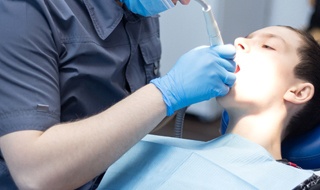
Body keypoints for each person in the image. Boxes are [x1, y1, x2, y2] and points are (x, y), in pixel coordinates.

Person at [0, 0, 237, 189]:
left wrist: (181, 95)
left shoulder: (141, 9)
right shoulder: (26, 10)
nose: (184, 2)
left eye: (269, 46)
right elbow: (35, 174)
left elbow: (136, 115)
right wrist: (168, 92)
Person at [97, 25, 320, 189]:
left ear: (299, 92)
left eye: (268, 46)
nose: (239, 41)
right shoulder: (138, 145)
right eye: (246, 37)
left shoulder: (296, 184)